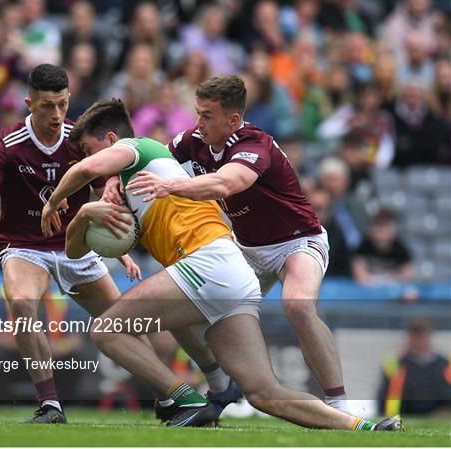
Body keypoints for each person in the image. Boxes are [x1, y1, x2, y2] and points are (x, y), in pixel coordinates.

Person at [41, 98, 403, 432]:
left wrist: (53, 201)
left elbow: (87, 168)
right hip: (231, 273)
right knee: (264, 393)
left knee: (107, 330)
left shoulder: (137, 148)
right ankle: (362, 427)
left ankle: (184, 397)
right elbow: (75, 252)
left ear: (110, 140)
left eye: (87, 148)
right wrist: (85, 212)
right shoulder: (131, 186)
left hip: (208, 261)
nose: (84, 160)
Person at [123, 75, 350, 413]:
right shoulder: (193, 139)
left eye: (207, 116)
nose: (198, 123)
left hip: (297, 241)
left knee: (298, 307)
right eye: (198, 113)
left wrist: (171, 185)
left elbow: (228, 183)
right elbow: (148, 154)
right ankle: (220, 383)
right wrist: (115, 179)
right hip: (245, 247)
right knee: (185, 300)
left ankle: (339, 404)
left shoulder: (254, 144)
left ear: (233, 119)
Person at [0, 64, 141, 424]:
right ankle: (50, 405)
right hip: (25, 246)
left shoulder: (79, 141)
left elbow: (106, 200)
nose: (56, 114)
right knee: (23, 305)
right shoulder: (7, 145)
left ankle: (172, 396)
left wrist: (121, 250)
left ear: (69, 99)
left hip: (76, 246)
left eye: (61, 104)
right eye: (46, 106)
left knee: (124, 320)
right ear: (30, 103)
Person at [378, 316, 451, 416]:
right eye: (414, 334)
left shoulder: (445, 364)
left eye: (421, 333)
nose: (418, 338)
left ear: (429, 334)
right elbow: (384, 397)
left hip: (440, 415)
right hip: (404, 415)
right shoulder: (396, 364)